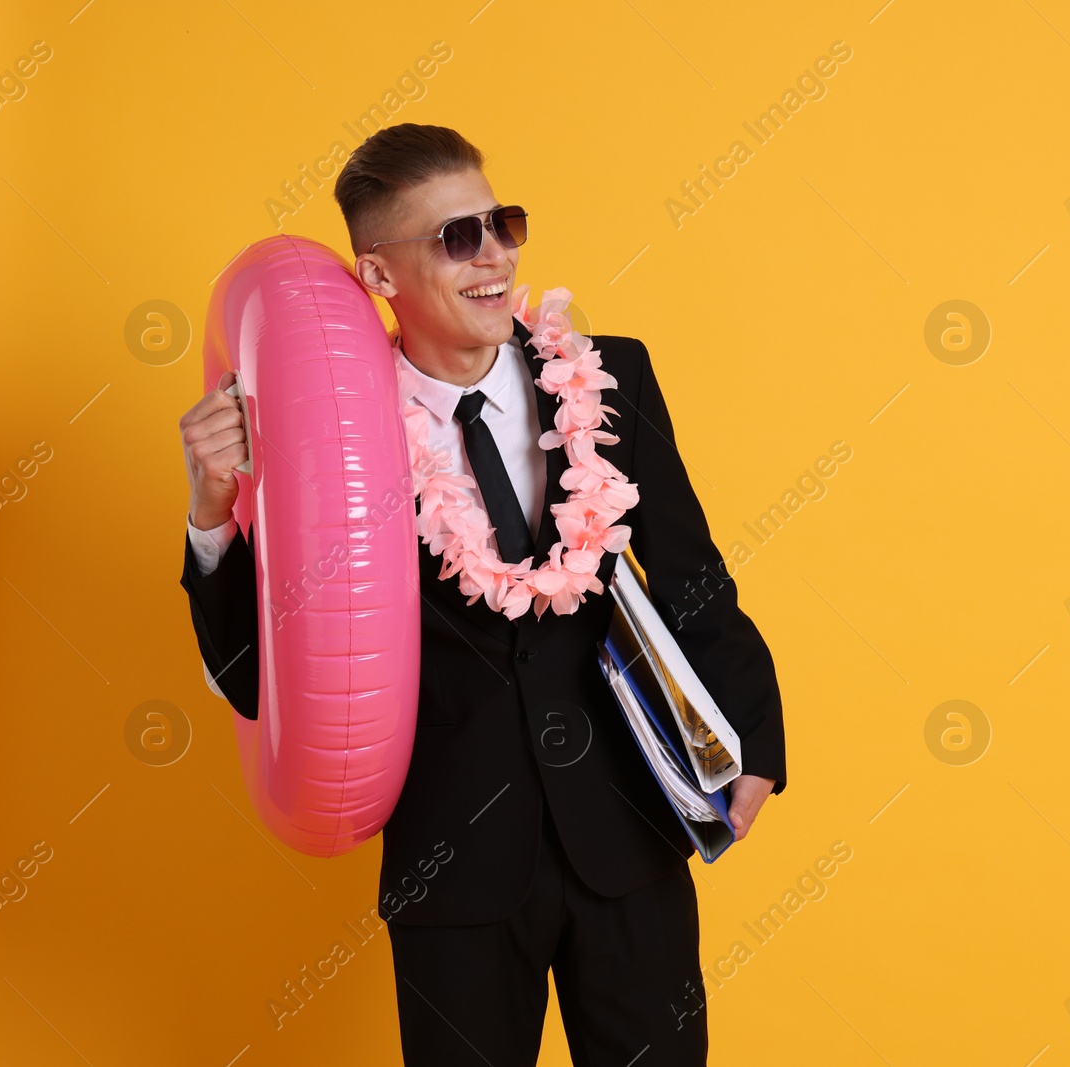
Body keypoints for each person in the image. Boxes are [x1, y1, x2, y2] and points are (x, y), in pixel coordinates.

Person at [176, 122, 787, 1066]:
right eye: (458, 237)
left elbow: (692, 570)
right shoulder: (330, 436)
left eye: (501, 223)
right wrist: (213, 513)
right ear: (378, 277)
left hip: (627, 838)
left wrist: (753, 741)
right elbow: (259, 677)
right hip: (454, 870)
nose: (495, 254)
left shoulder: (609, 373)